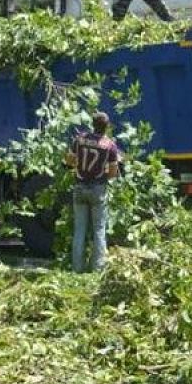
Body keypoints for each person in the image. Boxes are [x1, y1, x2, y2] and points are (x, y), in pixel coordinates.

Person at [64, 112, 120, 273]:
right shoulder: (109, 145)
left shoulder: (80, 139)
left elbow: (69, 159)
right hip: (98, 188)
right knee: (99, 230)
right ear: (107, 126)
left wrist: (78, 165)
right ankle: (98, 269)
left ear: (92, 124)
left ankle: (77, 269)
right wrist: (103, 177)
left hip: (80, 187)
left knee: (79, 229)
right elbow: (113, 171)